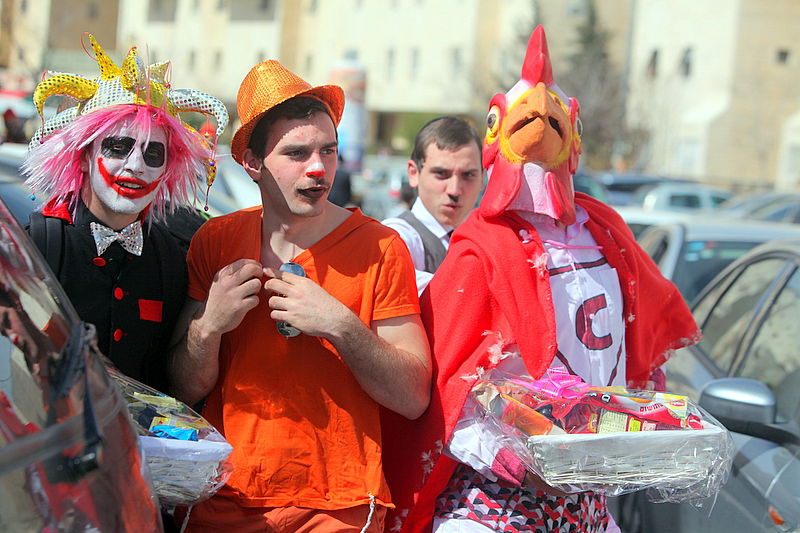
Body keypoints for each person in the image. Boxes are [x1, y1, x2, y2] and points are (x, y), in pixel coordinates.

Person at [381, 26, 700, 533]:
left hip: (590, 502)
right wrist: (509, 459)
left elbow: (637, 351)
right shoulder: (479, 247)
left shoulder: (606, 232)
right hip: (494, 503)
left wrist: (647, 414)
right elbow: (445, 388)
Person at [168, 60, 431, 532]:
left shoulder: (381, 247)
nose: (318, 168)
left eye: (328, 151)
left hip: (339, 505)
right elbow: (184, 388)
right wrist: (209, 326)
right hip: (223, 494)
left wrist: (340, 324)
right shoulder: (216, 241)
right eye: (297, 153)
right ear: (251, 162)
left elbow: (413, 396)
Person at [21, 34, 228, 393]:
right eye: (118, 147)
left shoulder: (173, 257)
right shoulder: (37, 245)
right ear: (84, 157)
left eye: (152, 154)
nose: (135, 166)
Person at [382, 117, 483, 293]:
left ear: (483, 178)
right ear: (414, 173)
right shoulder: (397, 237)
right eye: (441, 174)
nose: (454, 190)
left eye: (468, 175)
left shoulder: (484, 237)